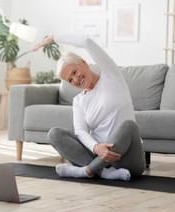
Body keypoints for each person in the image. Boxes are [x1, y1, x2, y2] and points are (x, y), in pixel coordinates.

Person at [33, 34, 145, 181]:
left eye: (74, 72)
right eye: (70, 80)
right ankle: (104, 172)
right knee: (54, 134)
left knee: (129, 126)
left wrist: (53, 38)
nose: (75, 79)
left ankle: (86, 171)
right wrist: (96, 148)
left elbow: (86, 42)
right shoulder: (79, 101)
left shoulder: (111, 76)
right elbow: (80, 131)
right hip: (97, 154)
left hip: (126, 159)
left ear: (84, 62)